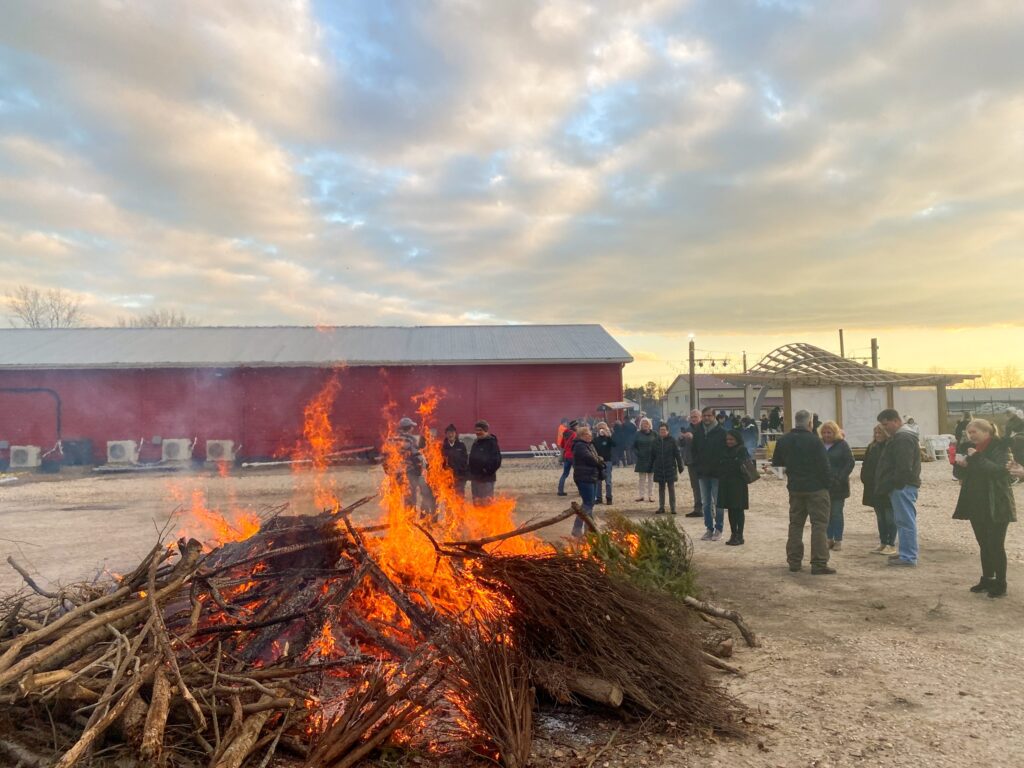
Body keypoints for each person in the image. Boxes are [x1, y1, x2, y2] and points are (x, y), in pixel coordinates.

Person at [953, 419, 1016, 598]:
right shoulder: (970, 449)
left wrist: (976, 458)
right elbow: (960, 475)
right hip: (976, 502)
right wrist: (960, 466)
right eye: (968, 433)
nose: (970, 436)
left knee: (996, 544)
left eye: (974, 432)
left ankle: (1001, 582)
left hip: (997, 503)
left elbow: (999, 471)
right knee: (983, 544)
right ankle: (987, 578)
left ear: (986, 432)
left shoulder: (1001, 447)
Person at [772, 409, 834, 574]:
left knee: (795, 524)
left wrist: (789, 478)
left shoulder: (783, 440)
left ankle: (794, 561)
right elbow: (825, 466)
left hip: (795, 488)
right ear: (810, 423)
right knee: (819, 525)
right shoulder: (815, 441)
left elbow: (777, 466)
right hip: (816, 488)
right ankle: (819, 563)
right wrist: (827, 485)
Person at [875, 409, 922, 567]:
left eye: (886, 424)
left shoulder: (902, 438)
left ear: (896, 421)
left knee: (905, 521)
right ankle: (906, 553)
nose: (884, 428)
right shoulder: (903, 437)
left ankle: (908, 556)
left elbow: (903, 466)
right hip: (903, 485)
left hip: (902, 486)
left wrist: (893, 483)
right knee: (903, 520)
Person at [693, 406, 727, 540]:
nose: (706, 418)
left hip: (717, 474)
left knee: (718, 502)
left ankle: (719, 529)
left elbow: (725, 452)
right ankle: (709, 528)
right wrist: (697, 465)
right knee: (706, 503)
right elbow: (694, 450)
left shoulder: (721, 432)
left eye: (709, 416)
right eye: (704, 416)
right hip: (702, 473)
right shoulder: (698, 432)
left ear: (714, 416)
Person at [820, 421, 855, 552]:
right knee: (826, 513)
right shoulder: (820, 445)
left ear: (834, 433)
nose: (826, 435)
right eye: (824, 432)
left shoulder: (842, 445)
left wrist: (840, 477)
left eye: (829, 432)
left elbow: (850, 463)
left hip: (839, 485)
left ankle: (838, 539)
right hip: (824, 484)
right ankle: (829, 538)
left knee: (837, 513)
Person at [861, 425, 896, 555]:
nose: (877, 435)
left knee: (889, 516)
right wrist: (864, 478)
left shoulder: (891, 447)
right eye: (875, 432)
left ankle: (891, 543)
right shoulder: (872, 447)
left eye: (880, 432)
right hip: (873, 486)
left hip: (886, 487)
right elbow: (865, 464)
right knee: (880, 517)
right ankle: (883, 542)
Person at [390, 416, 435, 515]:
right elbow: (416, 456)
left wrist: (388, 470)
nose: (413, 429)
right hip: (408, 473)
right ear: (409, 427)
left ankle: (394, 521)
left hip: (394, 473)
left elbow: (385, 455)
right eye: (412, 427)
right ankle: (409, 522)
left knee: (394, 498)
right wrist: (422, 466)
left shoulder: (391, 439)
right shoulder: (411, 439)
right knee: (409, 499)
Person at [718, 429, 751, 545]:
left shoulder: (742, 450)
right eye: (727, 439)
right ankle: (733, 533)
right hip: (726, 484)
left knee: (739, 510)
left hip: (738, 484)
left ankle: (740, 535)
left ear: (737, 439)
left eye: (731, 439)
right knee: (731, 510)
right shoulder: (724, 450)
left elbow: (745, 465)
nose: (729, 441)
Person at [570, 426, 604, 537]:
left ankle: (588, 529)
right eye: (586, 434)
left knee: (590, 503)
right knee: (588, 503)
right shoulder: (580, 446)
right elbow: (592, 459)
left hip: (591, 476)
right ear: (581, 436)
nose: (589, 436)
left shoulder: (589, 445)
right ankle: (578, 528)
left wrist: (598, 459)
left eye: (590, 434)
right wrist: (599, 460)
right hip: (584, 478)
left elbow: (597, 458)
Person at [647, 423, 683, 514]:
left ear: (667, 431)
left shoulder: (672, 441)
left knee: (671, 488)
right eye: (661, 430)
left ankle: (673, 508)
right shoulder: (655, 441)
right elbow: (652, 456)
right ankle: (661, 507)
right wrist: (649, 466)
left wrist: (680, 466)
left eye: (664, 430)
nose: (662, 432)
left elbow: (677, 454)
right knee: (661, 488)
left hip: (670, 467)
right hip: (659, 468)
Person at [467, 420, 501, 504]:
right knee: (477, 503)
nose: (477, 432)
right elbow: (472, 459)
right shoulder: (476, 443)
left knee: (486, 503)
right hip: (475, 479)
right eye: (476, 430)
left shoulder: (491, 443)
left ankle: (488, 517)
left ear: (485, 430)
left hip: (486, 480)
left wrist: (486, 471)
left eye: (480, 430)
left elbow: (496, 461)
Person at [679, 410, 703, 518]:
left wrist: (693, 438)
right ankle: (697, 509)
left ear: (700, 417)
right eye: (692, 417)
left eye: (696, 417)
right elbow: (681, 445)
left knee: (705, 486)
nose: (693, 419)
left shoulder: (704, 429)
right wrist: (681, 438)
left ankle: (708, 508)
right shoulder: (688, 429)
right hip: (691, 461)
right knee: (695, 486)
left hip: (703, 462)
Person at [441, 424, 468, 498]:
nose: (450, 435)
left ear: (455, 434)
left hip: (459, 477)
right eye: (448, 433)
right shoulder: (442, 447)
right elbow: (440, 463)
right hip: (447, 478)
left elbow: (465, 461)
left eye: (452, 432)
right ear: (446, 434)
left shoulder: (461, 446)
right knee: (448, 500)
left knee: (459, 498)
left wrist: (462, 475)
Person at [632, 417, 657, 502]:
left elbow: (658, 444)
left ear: (649, 425)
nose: (645, 425)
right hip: (641, 458)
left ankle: (651, 495)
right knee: (641, 478)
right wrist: (638, 454)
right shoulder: (637, 434)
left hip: (651, 458)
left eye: (646, 424)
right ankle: (641, 495)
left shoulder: (654, 434)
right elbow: (633, 446)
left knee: (651, 478)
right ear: (640, 425)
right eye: (643, 424)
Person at [593, 421, 616, 504]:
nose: (601, 430)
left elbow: (615, 444)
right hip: (598, 462)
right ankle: (599, 498)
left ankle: (609, 498)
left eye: (603, 428)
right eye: (600, 428)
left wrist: (608, 436)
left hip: (608, 462)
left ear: (606, 428)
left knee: (608, 481)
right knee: (598, 481)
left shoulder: (609, 438)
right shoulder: (595, 439)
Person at [556, 420, 578, 496]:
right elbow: (576, 445)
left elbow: (562, 445)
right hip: (573, 456)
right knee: (578, 474)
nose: (578, 427)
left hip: (566, 456)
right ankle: (581, 491)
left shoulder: (565, 433)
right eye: (577, 426)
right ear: (574, 426)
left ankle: (560, 491)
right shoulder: (575, 434)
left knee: (564, 474)